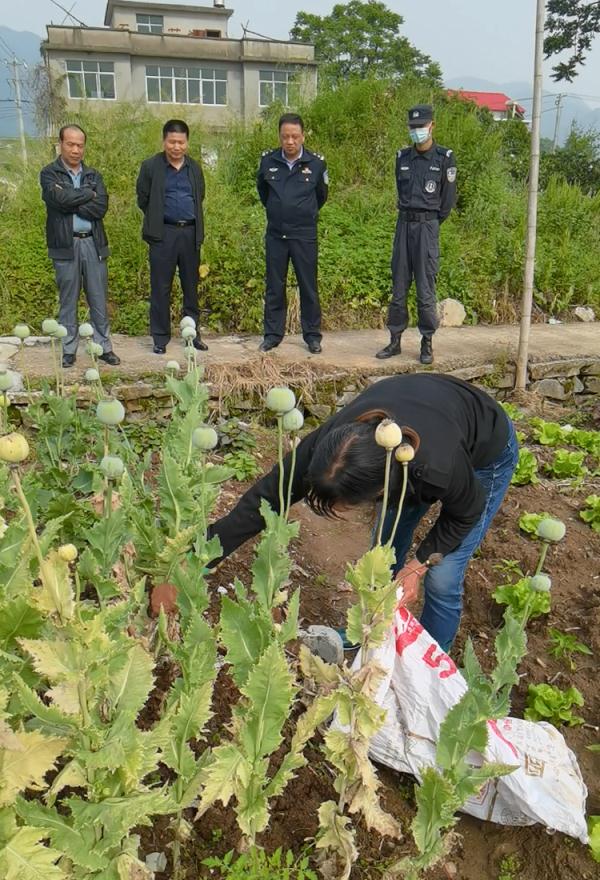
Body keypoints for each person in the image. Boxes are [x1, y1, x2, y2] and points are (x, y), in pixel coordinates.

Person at [208, 374, 518, 652]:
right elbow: (265, 499)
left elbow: (466, 512)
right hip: (428, 418)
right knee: (382, 555)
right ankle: (368, 634)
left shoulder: (434, 467)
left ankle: (431, 662)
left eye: (348, 503)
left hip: (486, 450)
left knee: (442, 576)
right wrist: (192, 562)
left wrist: (417, 566)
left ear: (379, 490)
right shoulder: (336, 448)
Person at [377, 104, 457, 366]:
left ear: (432, 125)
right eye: (413, 127)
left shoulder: (444, 158)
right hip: (404, 225)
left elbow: (447, 201)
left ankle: (427, 342)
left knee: (425, 289)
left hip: (427, 227)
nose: (417, 131)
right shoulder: (402, 157)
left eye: (421, 126)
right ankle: (395, 339)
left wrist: (430, 222)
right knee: (399, 287)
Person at [40, 124, 120, 368]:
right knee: (68, 299)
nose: (75, 149)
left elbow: (100, 208)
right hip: (65, 244)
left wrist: (71, 199)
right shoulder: (49, 173)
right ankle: (69, 349)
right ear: (61, 144)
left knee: (98, 297)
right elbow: (57, 199)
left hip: (93, 244)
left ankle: (103, 346)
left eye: (80, 145)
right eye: (70, 144)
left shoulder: (94, 175)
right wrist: (87, 195)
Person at [257, 113, 328, 355]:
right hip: (276, 235)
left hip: (304, 234)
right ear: (279, 136)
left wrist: (301, 214)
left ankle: (312, 336)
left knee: (308, 286)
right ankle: (272, 335)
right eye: (285, 136)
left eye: (295, 136)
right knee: (275, 286)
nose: (290, 141)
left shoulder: (316, 164)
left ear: (303, 136)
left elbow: (321, 196)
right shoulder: (267, 162)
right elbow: (263, 194)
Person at [136, 119, 207, 355]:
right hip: (163, 233)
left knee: (190, 285)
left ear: (187, 142)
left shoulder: (194, 168)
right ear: (164, 141)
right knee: (160, 287)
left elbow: (200, 197)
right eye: (172, 142)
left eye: (181, 142)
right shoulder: (150, 167)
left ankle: (192, 334)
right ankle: (160, 338)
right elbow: (143, 199)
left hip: (189, 232)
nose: (176, 147)